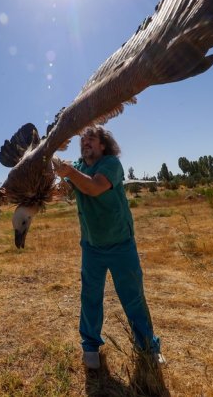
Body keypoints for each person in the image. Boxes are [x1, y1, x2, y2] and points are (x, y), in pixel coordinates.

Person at [52, 125, 163, 370]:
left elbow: (93, 187)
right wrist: (56, 181)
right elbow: (66, 189)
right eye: (82, 140)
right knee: (90, 298)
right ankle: (90, 347)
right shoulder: (79, 168)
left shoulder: (111, 165)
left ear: (103, 145)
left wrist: (68, 171)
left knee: (133, 298)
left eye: (91, 138)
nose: (85, 143)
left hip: (121, 244)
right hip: (92, 247)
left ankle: (148, 348)